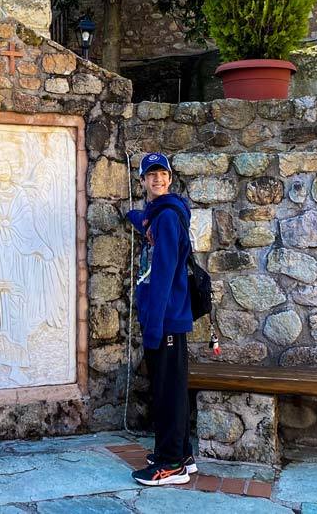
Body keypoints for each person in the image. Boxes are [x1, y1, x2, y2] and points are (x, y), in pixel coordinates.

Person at [126, 151, 196, 486]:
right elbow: (139, 217)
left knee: (167, 393)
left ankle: (171, 465)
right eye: (151, 175)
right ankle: (181, 452)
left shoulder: (166, 218)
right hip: (168, 317)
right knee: (172, 387)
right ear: (142, 181)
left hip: (166, 317)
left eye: (162, 174)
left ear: (170, 178)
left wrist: (154, 325)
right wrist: (132, 216)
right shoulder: (158, 214)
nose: (157, 179)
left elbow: (165, 273)